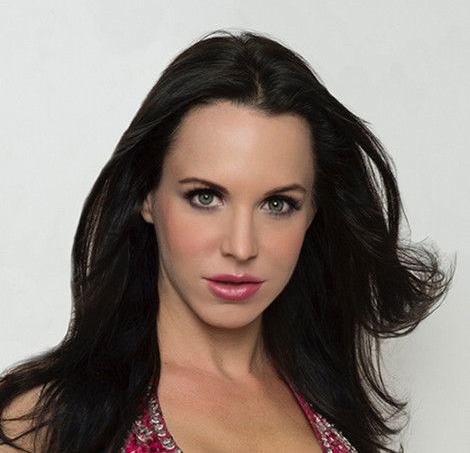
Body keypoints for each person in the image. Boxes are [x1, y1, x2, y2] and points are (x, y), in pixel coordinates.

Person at [0, 29, 453, 453]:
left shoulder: (333, 401)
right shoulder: (44, 417)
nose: (241, 247)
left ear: (313, 213)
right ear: (147, 196)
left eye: (277, 204)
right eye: (205, 197)